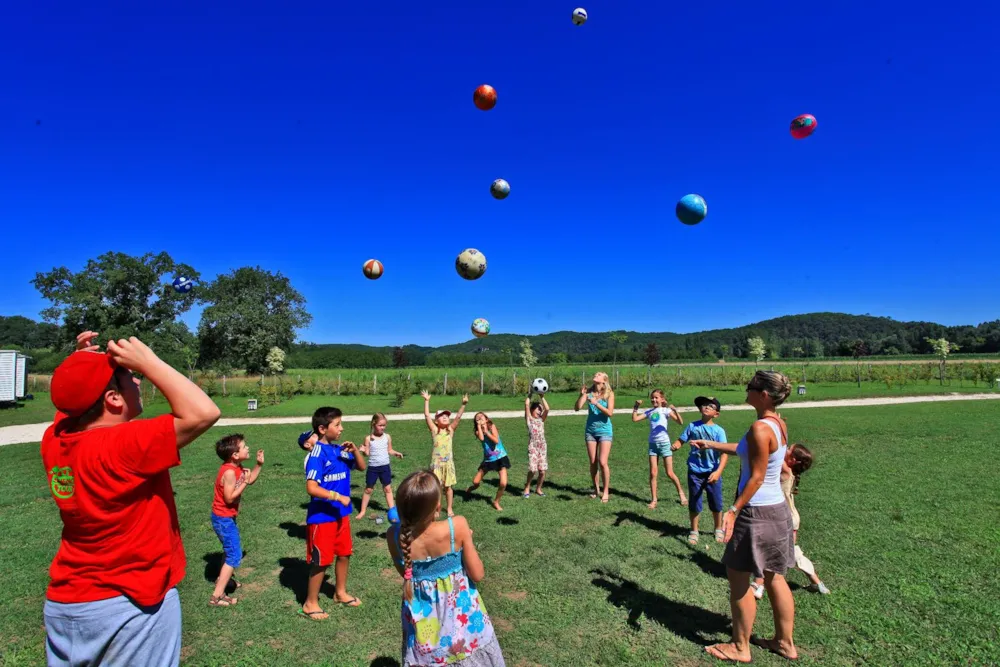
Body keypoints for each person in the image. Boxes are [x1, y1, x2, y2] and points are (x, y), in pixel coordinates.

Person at [41, 331, 221, 667]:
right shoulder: (124, 444)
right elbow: (202, 412)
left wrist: (79, 366)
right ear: (112, 398)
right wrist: (150, 362)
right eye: (130, 376)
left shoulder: (56, 439)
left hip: (68, 602)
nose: (138, 380)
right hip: (131, 604)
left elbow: (69, 405)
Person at [690, 371, 798, 663]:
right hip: (776, 512)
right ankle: (784, 643)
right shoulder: (777, 423)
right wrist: (710, 444)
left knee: (738, 580)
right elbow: (744, 451)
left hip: (756, 512)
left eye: (751, 386)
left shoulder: (760, 428)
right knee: (775, 578)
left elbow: (758, 477)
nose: (746, 389)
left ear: (763, 394)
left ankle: (740, 647)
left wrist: (733, 510)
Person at [387, 471, 506, 666]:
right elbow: (478, 574)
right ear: (438, 507)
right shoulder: (457, 526)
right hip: (464, 627)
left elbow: (406, 573)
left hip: (424, 630)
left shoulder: (394, 536)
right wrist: (468, 538)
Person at [301, 406, 368, 619]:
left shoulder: (338, 450)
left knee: (345, 553)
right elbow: (311, 487)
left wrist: (355, 450)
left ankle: (340, 593)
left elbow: (361, 467)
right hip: (322, 518)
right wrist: (337, 497)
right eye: (337, 424)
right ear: (322, 428)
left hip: (341, 516)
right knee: (321, 560)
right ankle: (310, 603)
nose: (342, 428)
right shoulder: (317, 454)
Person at [750, 444, 830, 599]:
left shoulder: (786, 470)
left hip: (785, 518)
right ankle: (817, 583)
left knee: (766, 549)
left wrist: (772, 434)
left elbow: (772, 451)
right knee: (790, 552)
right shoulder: (790, 471)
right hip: (790, 517)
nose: (784, 450)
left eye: (788, 449)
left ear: (793, 460)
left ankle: (758, 585)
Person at [209, 434, 264, 607]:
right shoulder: (230, 472)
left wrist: (258, 465)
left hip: (227, 517)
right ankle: (217, 596)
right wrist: (244, 483)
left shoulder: (237, 467)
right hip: (222, 518)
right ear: (234, 454)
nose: (248, 448)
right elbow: (229, 498)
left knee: (229, 550)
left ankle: (224, 580)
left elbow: (250, 479)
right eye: (244, 446)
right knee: (234, 555)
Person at [673, 396, 729, 545]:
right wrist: (676, 445)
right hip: (695, 471)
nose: (706, 407)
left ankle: (718, 528)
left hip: (713, 472)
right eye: (704, 405)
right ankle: (694, 530)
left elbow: (724, 453)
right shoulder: (692, 426)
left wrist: (718, 472)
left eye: (710, 406)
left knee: (716, 502)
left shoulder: (719, 431)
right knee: (694, 501)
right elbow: (681, 439)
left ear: (716, 414)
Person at [632, 389, 685, 509]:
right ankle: (654, 499)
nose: (654, 400)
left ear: (662, 399)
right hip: (653, 445)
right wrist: (635, 407)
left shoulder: (666, 411)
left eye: (656, 397)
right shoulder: (650, 412)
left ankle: (681, 494)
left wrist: (675, 410)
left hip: (665, 444)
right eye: (652, 398)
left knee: (670, 473)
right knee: (653, 473)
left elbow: (680, 422)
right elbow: (635, 419)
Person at [421, 391, 469, 517]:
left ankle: (449, 508)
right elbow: (426, 416)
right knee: (437, 488)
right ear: (436, 420)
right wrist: (426, 401)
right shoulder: (434, 430)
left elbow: (458, 417)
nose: (445, 417)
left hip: (448, 464)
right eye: (441, 416)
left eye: (447, 416)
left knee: (448, 488)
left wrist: (463, 405)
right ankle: (436, 509)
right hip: (436, 465)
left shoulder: (450, 430)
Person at [574, 372, 615, 502]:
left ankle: (606, 490)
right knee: (593, 462)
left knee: (603, 462)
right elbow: (577, 408)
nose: (596, 375)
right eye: (595, 374)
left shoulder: (609, 394)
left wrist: (596, 403)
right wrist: (582, 395)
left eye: (599, 375)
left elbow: (610, 413)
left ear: (604, 381)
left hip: (605, 431)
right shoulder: (588, 393)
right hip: (590, 431)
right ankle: (596, 489)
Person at [357, 413, 405, 521]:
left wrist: (395, 453)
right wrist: (363, 451)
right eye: (380, 425)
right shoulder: (368, 439)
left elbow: (389, 450)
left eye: (384, 425)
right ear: (374, 424)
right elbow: (367, 454)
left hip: (385, 467)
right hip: (373, 468)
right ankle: (363, 511)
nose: (382, 427)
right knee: (369, 489)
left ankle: (392, 510)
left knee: (387, 488)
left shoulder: (387, 437)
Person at [466, 412, 511, 511]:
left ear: (486, 419)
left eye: (481, 417)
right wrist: (480, 427)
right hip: (488, 460)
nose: (479, 418)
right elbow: (482, 438)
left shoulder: (492, 426)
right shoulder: (478, 432)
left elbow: (496, 441)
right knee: (476, 482)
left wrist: (487, 431)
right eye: (477, 418)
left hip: (500, 458)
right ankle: (470, 489)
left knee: (503, 483)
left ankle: (496, 502)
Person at [523, 392, 550, 498]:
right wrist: (530, 394)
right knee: (533, 469)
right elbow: (526, 405)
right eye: (538, 409)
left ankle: (538, 488)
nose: (540, 411)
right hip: (533, 446)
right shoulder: (529, 420)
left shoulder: (541, 420)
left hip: (542, 447)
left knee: (542, 471)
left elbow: (547, 409)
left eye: (540, 409)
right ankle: (527, 487)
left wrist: (542, 397)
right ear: (531, 410)